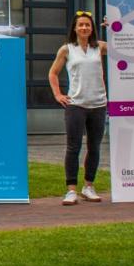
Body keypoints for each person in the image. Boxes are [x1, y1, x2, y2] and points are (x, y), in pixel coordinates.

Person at [48, 11, 107, 206]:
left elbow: (123, 48)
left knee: (94, 147)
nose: (84, 28)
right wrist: (58, 95)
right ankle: (71, 190)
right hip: (75, 104)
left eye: (87, 25)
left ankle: (88, 186)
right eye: (80, 25)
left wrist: (113, 29)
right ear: (75, 28)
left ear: (92, 29)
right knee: (73, 147)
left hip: (98, 104)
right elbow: (53, 73)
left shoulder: (100, 47)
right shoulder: (66, 49)